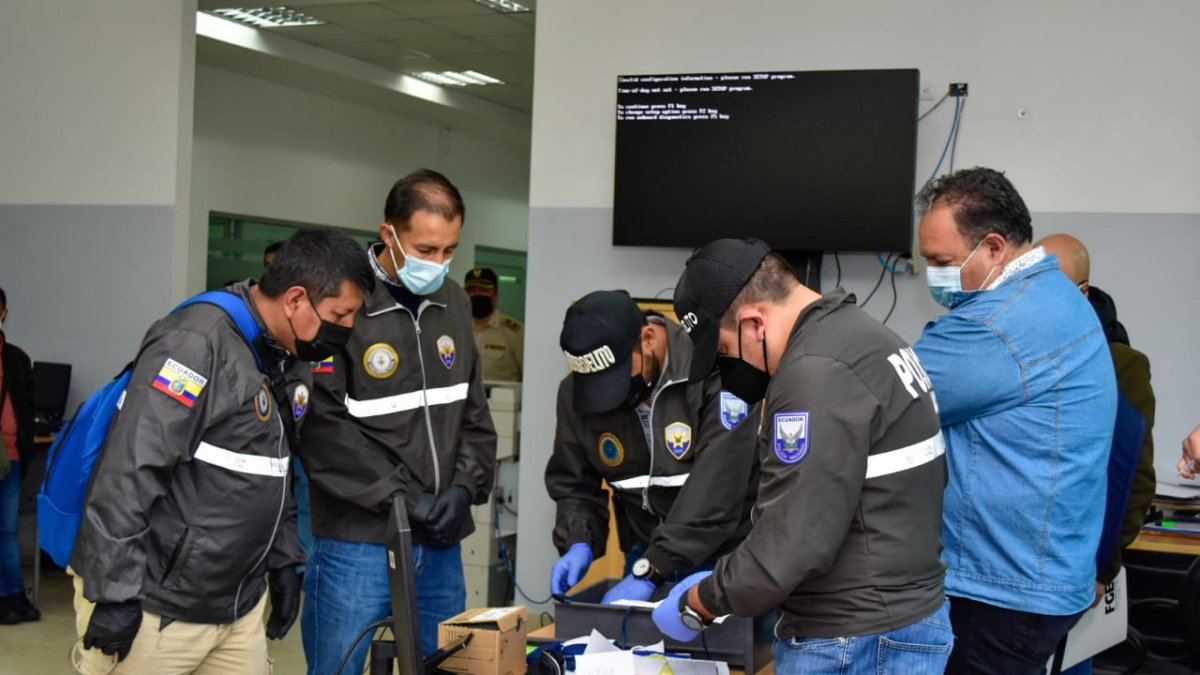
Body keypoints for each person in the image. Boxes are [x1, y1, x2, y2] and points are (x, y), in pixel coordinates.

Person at [70, 229, 374, 675]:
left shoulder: (285, 354)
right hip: (158, 605)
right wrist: (115, 593)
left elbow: (276, 465)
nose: (346, 330)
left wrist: (284, 560)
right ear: (294, 300)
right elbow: (129, 471)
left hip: (237, 604)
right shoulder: (194, 344)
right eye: (340, 315)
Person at [653, 238, 951, 675]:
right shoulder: (862, 335)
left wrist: (700, 602)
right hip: (903, 617)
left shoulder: (813, 373)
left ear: (755, 324)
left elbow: (789, 544)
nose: (727, 368)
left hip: (854, 638)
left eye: (721, 351)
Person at [912, 168, 1117, 674]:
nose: (933, 274)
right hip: (1036, 575)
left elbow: (881, 397)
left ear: (994, 247)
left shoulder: (999, 324)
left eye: (942, 261)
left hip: (1002, 587)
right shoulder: (1055, 294)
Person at [299, 169, 497, 672]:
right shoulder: (344, 304)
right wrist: (405, 500)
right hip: (358, 541)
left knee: (447, 666)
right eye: (426, 249)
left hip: (440, 538)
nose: (438, 263)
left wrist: (464, 489)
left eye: (449, 250)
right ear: (389, 234)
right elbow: (323, 430)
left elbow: (473, 412)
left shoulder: (452, 302)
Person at [544, 289, 759, 604]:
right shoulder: (576, 394)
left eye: (616, 377)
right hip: (646, 557)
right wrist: (579, 540)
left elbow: (717, 492)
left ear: (648, 339)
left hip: (725, 559)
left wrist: (653, 569)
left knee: (729, 652)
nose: (609, 396)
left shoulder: (715, 371)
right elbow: (575, 483)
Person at [0, 287, 39, 625]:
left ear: (4, 314)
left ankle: (15, 596)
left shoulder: (15, 357)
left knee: (7, 531)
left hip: (10, 457)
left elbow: (26, 404)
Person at [465, 267, 524, 381]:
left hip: (500, 398)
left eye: (483, 290)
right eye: (471, 291)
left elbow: (528, 375)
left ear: (495, 296)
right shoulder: (456, 328)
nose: (477, 294)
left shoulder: (514, 332)